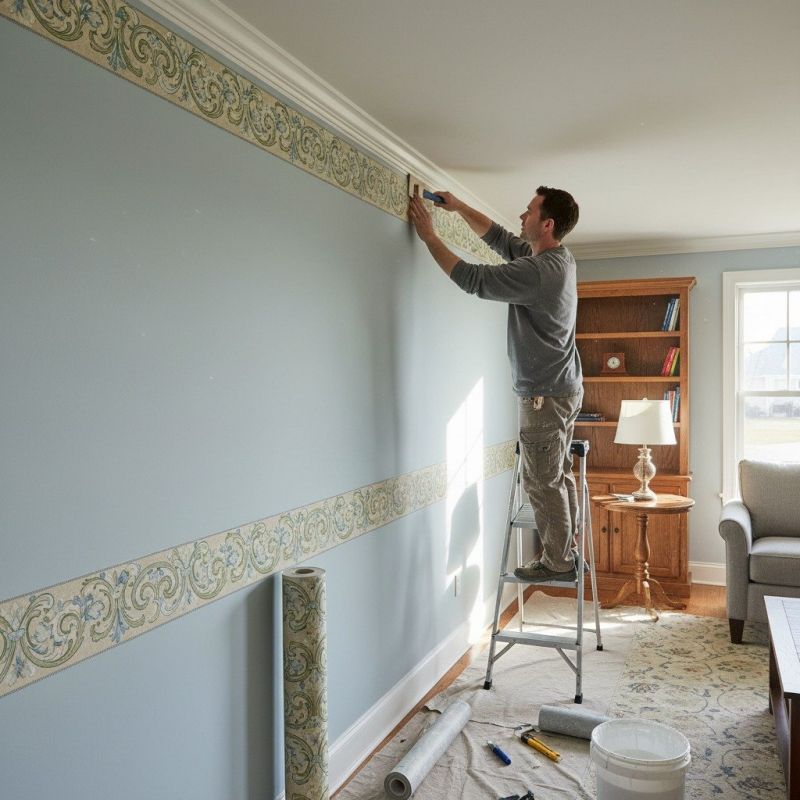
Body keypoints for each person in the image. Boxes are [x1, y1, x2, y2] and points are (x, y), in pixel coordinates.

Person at [409, 186, 583, 582]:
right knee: (557, 475)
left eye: (529, 211)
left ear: (547, 223)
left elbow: (472, 279)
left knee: (541, 480)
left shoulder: (540, 272)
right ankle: (567, 550)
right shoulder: (556, 258)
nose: (522, 216)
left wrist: (430, 237)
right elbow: (503, 241)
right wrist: (458, 208)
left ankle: (557, 562)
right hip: (562, 387)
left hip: (545, 394)